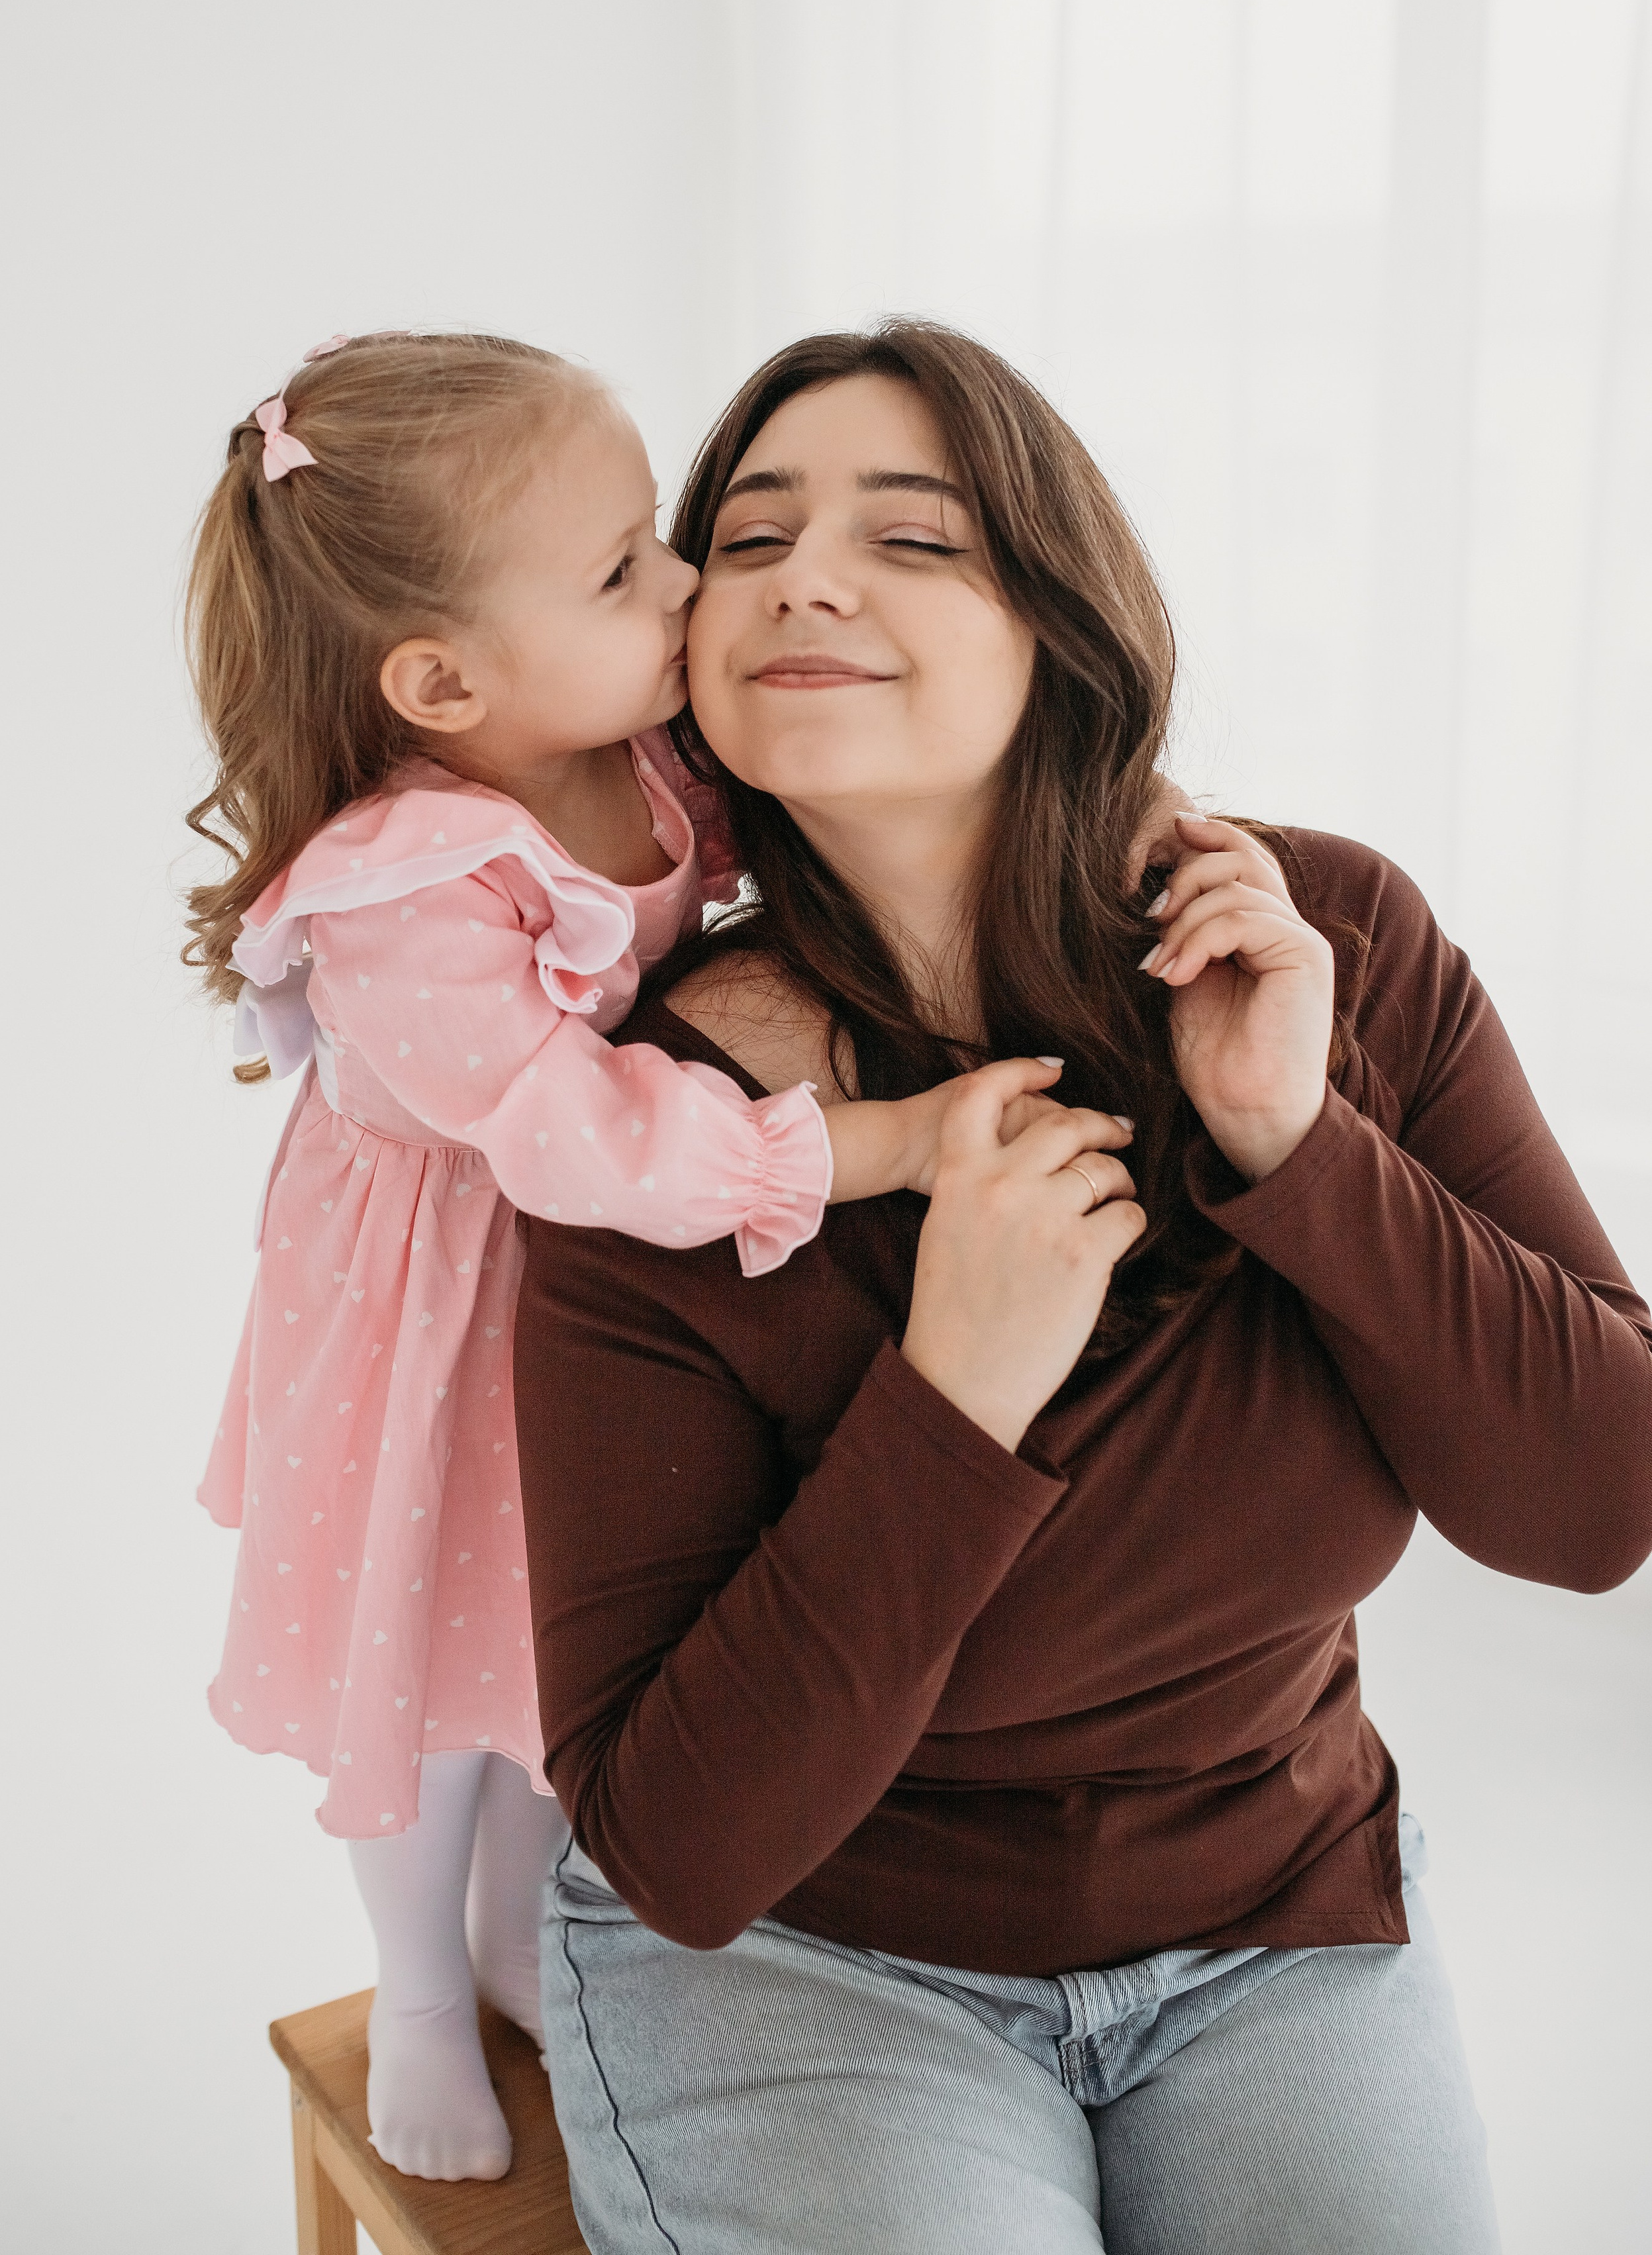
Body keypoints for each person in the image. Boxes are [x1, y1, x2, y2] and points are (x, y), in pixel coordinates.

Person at [511, 320, 1652, 2254]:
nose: (807, 576)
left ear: (1065, 618)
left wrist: (1304, 1146)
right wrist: (954, 1393)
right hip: (817, 1963)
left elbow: (1598, 1506)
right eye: (755, 535)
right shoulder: (639, 1129)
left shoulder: (1329, 944)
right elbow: (685, 1842)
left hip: (1278, 1925)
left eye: (915, 538)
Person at [181, 330, 1057, 2182]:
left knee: (544, 1647)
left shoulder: (632, 753)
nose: (683, 586)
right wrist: (858, 1145)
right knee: (425, 1655)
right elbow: (569, 1131)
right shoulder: (408, 887)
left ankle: (513, 1936)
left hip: (589, 1281)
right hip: (438, 1295)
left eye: (657, 537)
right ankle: (418, 1974)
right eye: (621, 572)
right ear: (440, 679)